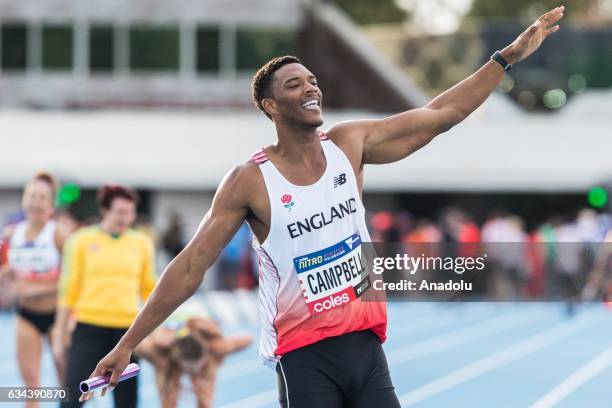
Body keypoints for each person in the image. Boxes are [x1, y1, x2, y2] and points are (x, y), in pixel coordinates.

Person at [83, 7, 564, 407]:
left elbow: (440, 115)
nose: (311, 88)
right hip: (302, 355)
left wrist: (506, 59)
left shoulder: (348, 145)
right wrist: (128, 344)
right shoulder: (250, 181)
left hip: (365, 346)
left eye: (312, 80)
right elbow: (190, 266)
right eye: (294, 84)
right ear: (271, 106)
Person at [53, 184, 157, 408]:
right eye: (120, 211)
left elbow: (150, 289)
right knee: (72, 398)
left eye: (130, 212)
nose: (125, 217)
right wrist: (60, 333)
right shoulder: (80, 240)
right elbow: (68, 289)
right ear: (105, 210)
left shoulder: (141, 243)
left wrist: (155, 332)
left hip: (127, 334)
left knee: (127, 401)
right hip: (88, 328)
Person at [0, 172, 72, 408]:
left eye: (42, 198)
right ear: (23, 200)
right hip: (26, 316)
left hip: (57, 316)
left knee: (66, 384)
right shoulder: (12, 233)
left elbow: (75, 279)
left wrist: (34, 290)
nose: (35, 202)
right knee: (31, 384)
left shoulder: (59, 235)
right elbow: (10, 270)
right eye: (31, 196)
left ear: (50, 205)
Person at [135, 303, 252, 407]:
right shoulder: (160, 349)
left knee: (205, 386)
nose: (193, 371)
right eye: (189, 368)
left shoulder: (216, 346)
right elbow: (136, 346)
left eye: (196, 366)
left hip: (199, 325)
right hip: (170, 335)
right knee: (169, 393)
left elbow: (248, 338)